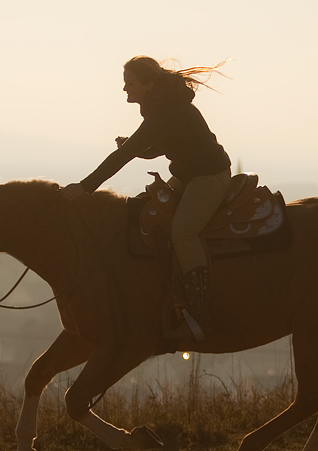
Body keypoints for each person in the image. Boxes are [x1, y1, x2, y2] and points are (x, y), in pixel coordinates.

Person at [61, 56, 232, 339]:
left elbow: (123, 157)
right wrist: (136, 146)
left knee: (183, 231)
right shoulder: (162, 108)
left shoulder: (163, 111)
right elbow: (159, 146)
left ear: (149, 85)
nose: (125, 89)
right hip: (190, 176)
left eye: (130, 83)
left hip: (208, 178)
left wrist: (85, 187)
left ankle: (202, 312)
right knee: (149, 213)